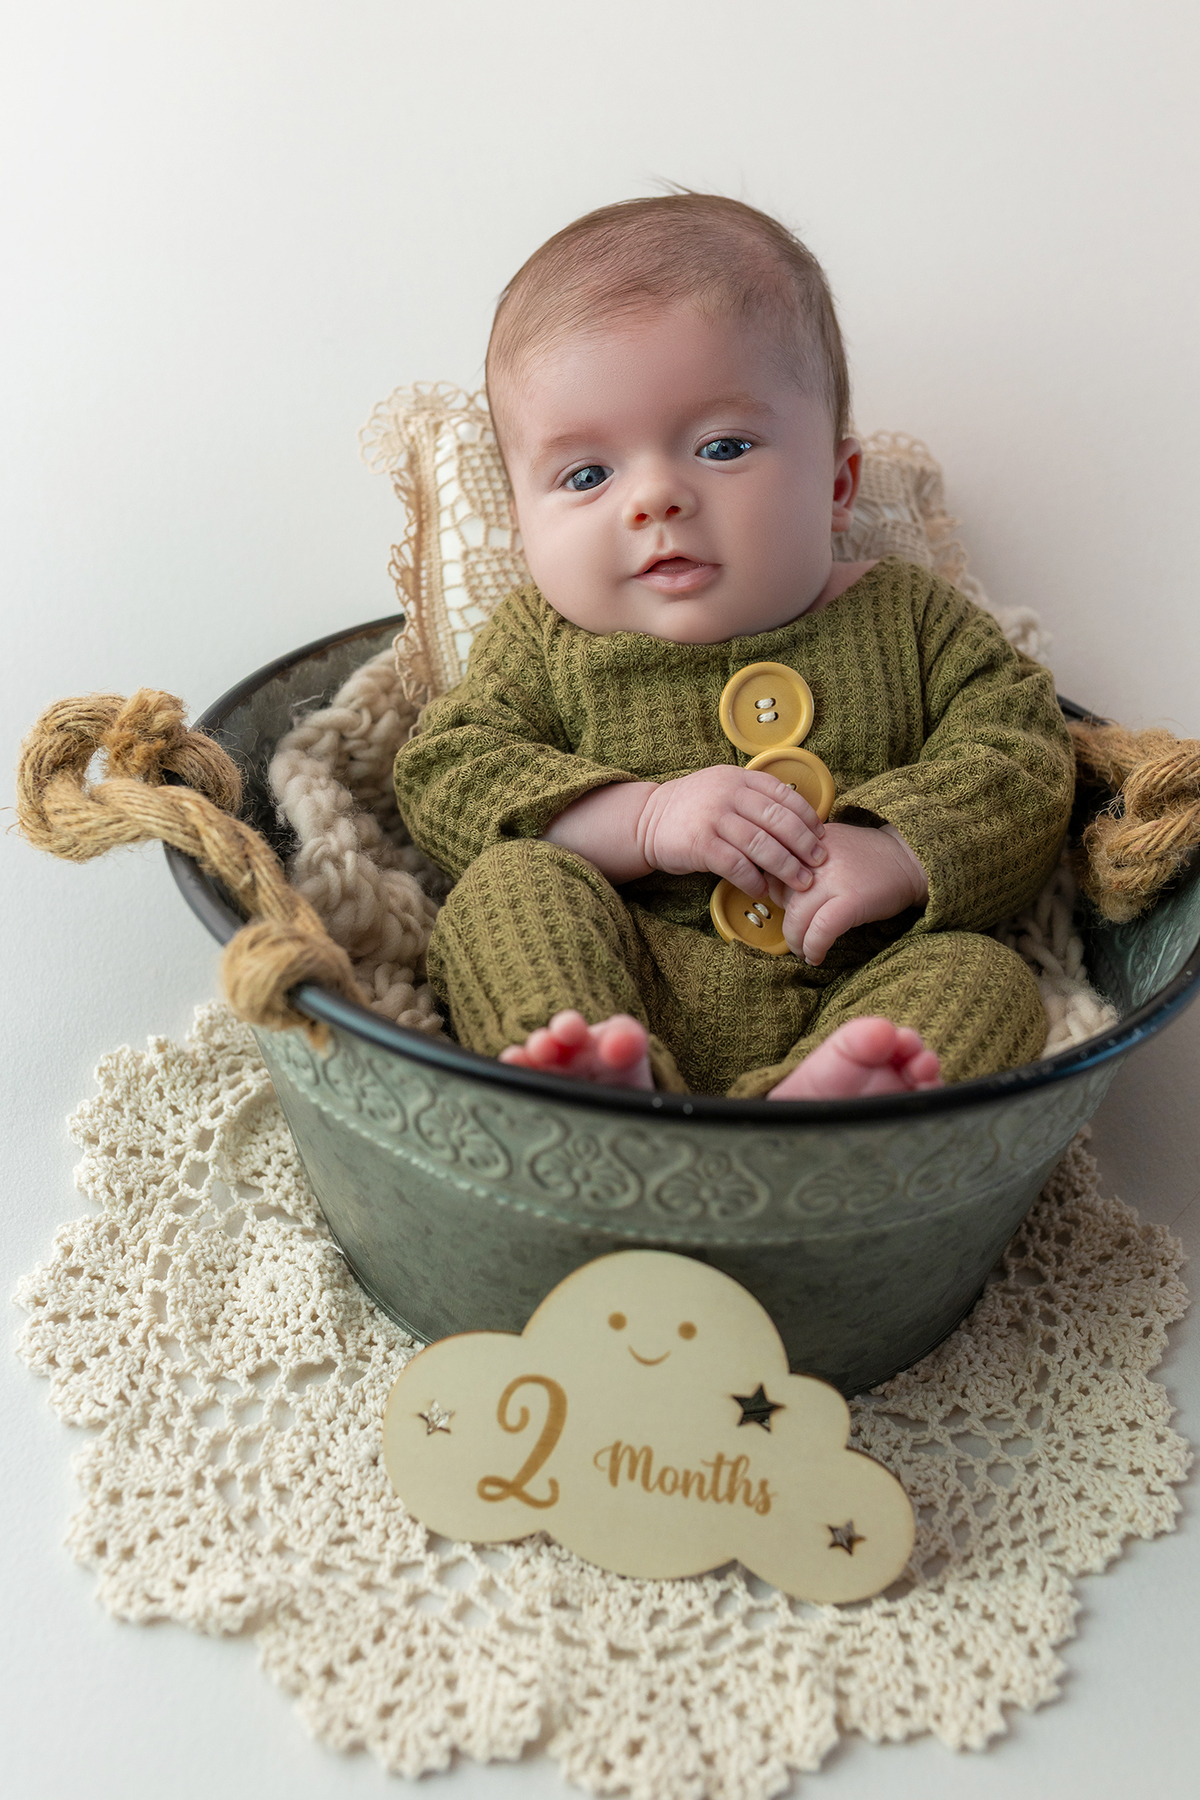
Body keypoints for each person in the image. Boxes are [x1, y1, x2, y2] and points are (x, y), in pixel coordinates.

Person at [393, 194, 1074, 1101]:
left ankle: (817, 1118)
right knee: (508, 892)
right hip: (626, 970)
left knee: (983, 978)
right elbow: (446, 772)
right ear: (522, 524)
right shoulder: (542, 642)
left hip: (853, 978)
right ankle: (590, 1077)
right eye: (588, 474)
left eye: (721, 447)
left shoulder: (914, 621)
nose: (655, 499)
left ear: (837, 485)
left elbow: (1026, 755)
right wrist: (643, 820)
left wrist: (899, 852)